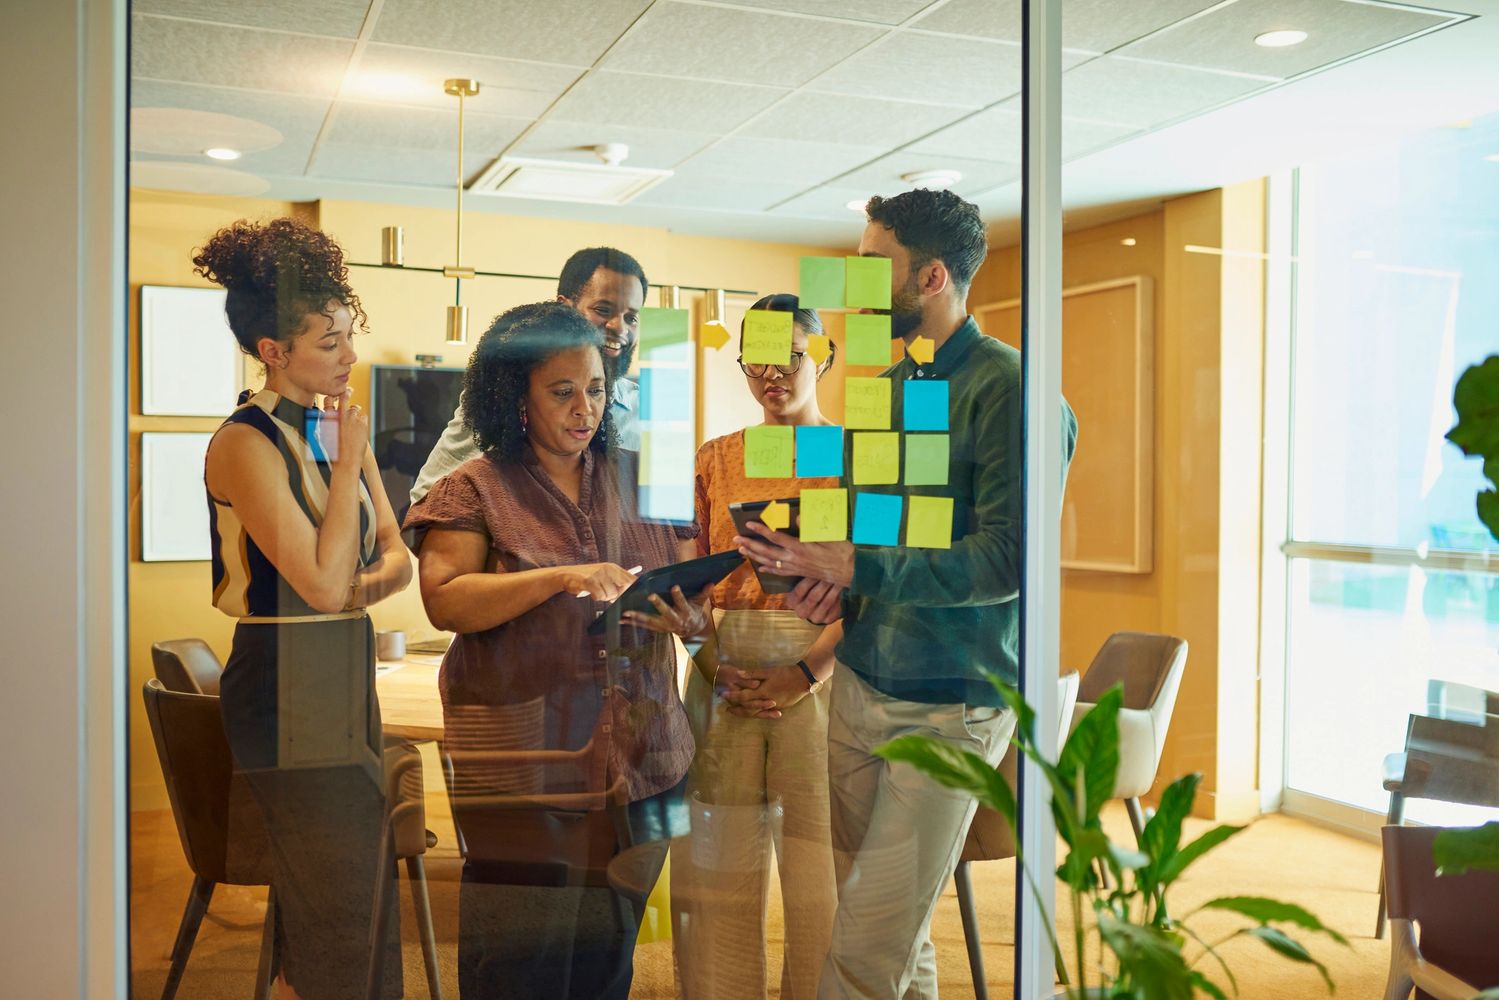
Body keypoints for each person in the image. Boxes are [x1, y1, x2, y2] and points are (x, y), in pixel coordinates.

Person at [734, 189, 1079, 998]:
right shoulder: (883, 389)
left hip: (951, 703)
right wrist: (826, 589)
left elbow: (1006, 561)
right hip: (858, 687)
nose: (854, 283)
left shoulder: (1015, 392)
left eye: (869, 265)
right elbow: (871, 541)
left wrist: (858, 569)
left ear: (928, 277)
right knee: (894, 932)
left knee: (860, 948)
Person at [403, 301, 707, 999]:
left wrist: (688, 617)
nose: (584, 408)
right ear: (515, 397)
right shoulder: (472, 487)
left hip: (645, 758)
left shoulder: (643, 480)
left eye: (595, 389)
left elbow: (695, 596)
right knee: (520, 963)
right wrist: (562, 577)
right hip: (525, 764)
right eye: (562, 390)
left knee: (610, 959)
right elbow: (445, 599)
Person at [194, 218, 412, 1000]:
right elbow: (326, 587)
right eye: (330, 343)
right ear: (272, 352)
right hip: (283, 676)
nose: (350, 358)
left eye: (350, 337)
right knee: (342, 891)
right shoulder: (244, 443)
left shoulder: (332, 425)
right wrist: (353, 464)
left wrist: (349, 586)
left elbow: (399, 560)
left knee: (353, 879)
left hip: (341, 663)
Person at [638, 294, 842, 998]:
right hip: (720, 665)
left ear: (822, 356)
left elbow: (879, 592)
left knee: (822, 869)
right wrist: (711, 658)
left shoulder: (854, 458)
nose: (770, 373)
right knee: (714, 865)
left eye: (786, 354)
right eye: (753, 359)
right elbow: (691, 578)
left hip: (822, 663)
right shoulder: (715, 457)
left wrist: (804, 673)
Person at [408, 246, 649, 508]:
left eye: (631, 317)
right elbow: (427, 499)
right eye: (603, 310)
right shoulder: (505, 395)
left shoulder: (649, 413)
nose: (620, 328)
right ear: (564, 308)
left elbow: (674, 528)